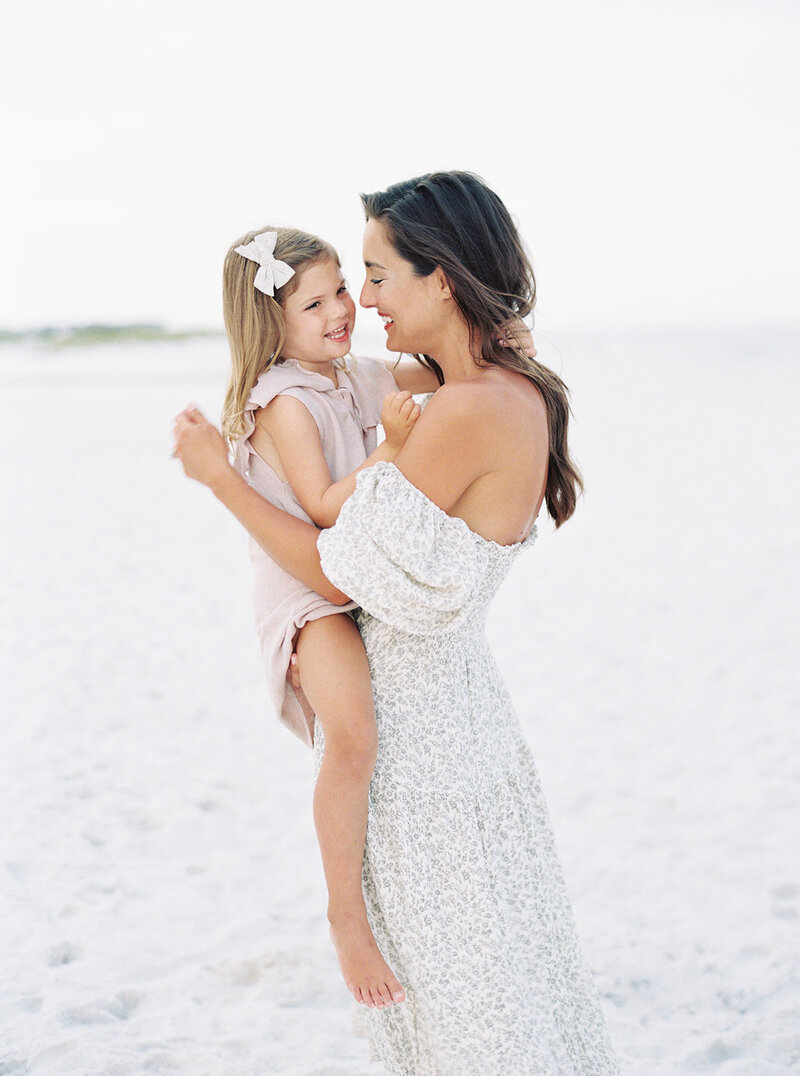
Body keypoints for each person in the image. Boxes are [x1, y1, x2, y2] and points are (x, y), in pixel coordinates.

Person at [173, 172, 620, 1074]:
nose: (359, 301)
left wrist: (220, 482)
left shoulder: (458, 409)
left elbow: (340, 563)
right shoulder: (487, 389)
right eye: (338, 289)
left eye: (372, 276)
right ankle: (346, 918)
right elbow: (332, 538)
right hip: (460, 720)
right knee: (496, 990)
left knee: (469, 1014)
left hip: (430, 752)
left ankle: (342, 920)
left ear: (440, 280)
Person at [214, 224, 441, 1011]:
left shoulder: (351, 374)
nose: (341, 309)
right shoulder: (282, 401)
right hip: (306, 594)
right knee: (353, 736)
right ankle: (346, 916)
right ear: (272, 324)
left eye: (343, 288)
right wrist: (392, 449)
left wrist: (479, 337)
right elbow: (318, 508)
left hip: (353, 579)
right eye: (315, 302)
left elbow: (428, 372)